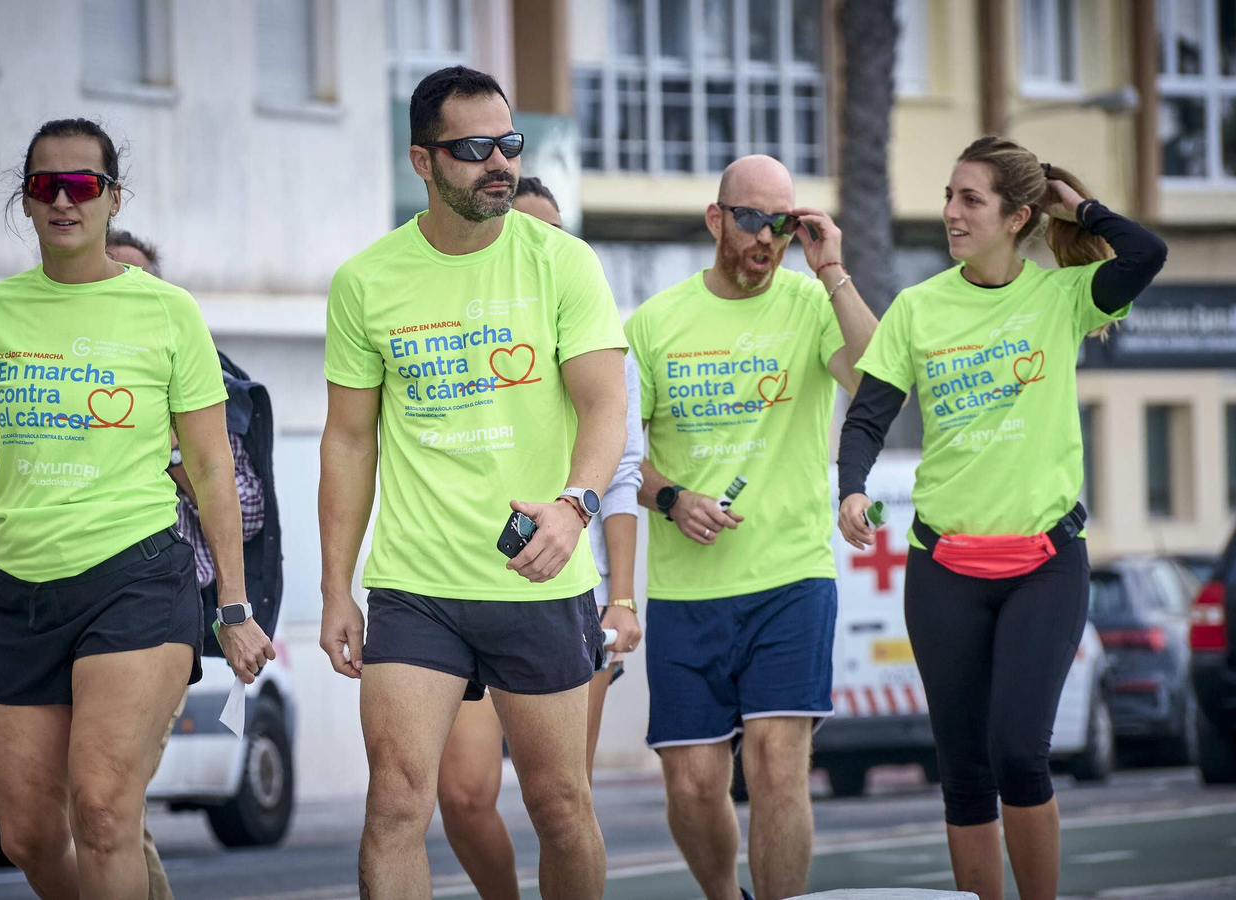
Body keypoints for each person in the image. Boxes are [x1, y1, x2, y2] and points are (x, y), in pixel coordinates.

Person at [0, 118, 273, 900]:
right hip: (22, 596)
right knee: (26, 834)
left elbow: (213, 468)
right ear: (25, 200)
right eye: (45, 186)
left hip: (137, 579)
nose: (63, 200)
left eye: (82, 185)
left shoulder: (168, 313)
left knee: (104, 809)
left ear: (113, 198)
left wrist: (232, 605)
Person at [318, 67, 628, 899]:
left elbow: (606, 407)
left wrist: (574, 507)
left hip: (538, 575)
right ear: (422, 160)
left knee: (560, 806)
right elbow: (348, 441)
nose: (500, 163)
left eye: (509, 144)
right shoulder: (366, 281)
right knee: (395, 805)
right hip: (416, 584)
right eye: (474, 148)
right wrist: (336, 588)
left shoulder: (564, 263)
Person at [835, 136, 1167, 900]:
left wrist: (1079, 206)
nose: (952, 212)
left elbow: (1147, 253)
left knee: (1019, 753)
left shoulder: (1063, 296)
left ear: (1018, 217)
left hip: (1044, 566)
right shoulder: (918, 309)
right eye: (949, 197)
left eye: (971, 199)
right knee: (964, 771)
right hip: (944, 569)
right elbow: (867, 419)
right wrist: (852, 489)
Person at [0, 229, 266, 900]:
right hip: (32, 602)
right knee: (42, 830)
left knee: (103, 807)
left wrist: (165, 451)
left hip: (147, 600)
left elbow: (242, 502)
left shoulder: (174, 355)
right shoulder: (33, 374)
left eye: (127, 278)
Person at [624, 154, 879, 900]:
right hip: (687, 592)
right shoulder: (654, 324)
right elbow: (620, 455)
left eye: (782, 223)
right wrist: (673, 499)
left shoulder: (811, 305)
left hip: (790, 579)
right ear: (716, 219)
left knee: (775, 765)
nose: (766, 237)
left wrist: (834, 271)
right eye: (750, 219)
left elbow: (880, 379)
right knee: (693, 786)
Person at [432, 177, 645, 900]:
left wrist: (622, 599)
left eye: (552, 230)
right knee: (462, 796)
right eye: (525, 227)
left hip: (565, 592)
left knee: (561, 801)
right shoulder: (454, 323)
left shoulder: (589, 318)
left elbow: (622, 475)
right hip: (458, 587)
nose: (537, 242)